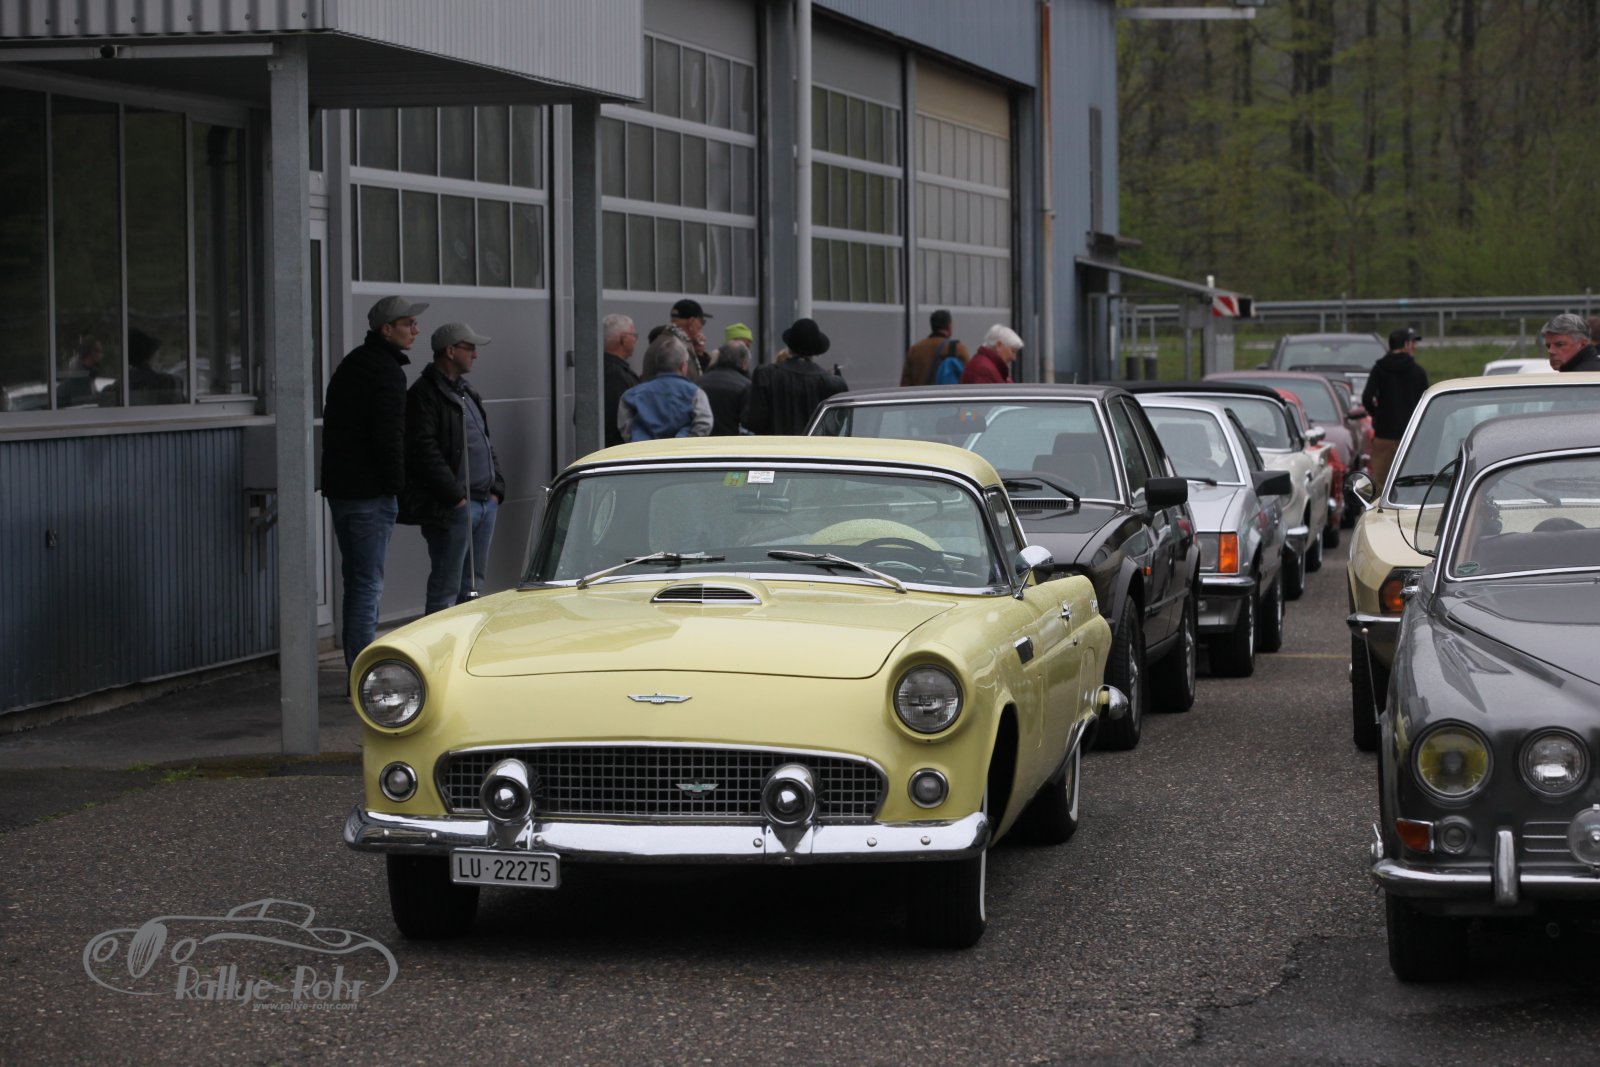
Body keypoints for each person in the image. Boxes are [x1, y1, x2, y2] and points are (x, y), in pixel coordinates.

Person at [322, 295, 426, 669]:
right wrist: (398, 487)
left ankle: (356, 667)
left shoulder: (352, 364)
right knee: (368, 584)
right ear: (387, 329)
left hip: (343, 491)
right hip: (369, 494)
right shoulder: (386, 372)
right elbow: (389, 437)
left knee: (357, 582)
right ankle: (363, 674)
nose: (416, 330)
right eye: (408, 324)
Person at [403, 322, 506, 615]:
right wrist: (455, 498)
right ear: (450, 351)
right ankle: (439, 640)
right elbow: (423, 450)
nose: (475, 354)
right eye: (469, 348)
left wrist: (496, 487)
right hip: (456, 507)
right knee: (446, 586)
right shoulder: (425, 394)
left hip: (483, 501)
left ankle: (466, 639)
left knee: (473, 586)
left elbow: (484, 441)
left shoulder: (465, 391)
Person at [742, 318, 846, 434]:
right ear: (816, 350)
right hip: (814, 445)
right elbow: (836, 426)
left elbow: (754, 421)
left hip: (774, 444)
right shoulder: (832, 383)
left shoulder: (765, 375)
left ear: (790, 346)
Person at [1362, 327, 1430, 490]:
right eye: (1413, 343)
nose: (1414, 347)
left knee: (1380, 484)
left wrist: (1378, 415)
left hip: (1384, 437)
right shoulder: (1418, 372)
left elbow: (1367, 398)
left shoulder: (1379, 369)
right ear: (1406, 345)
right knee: (1411, 484)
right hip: (1410, 438)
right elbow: (1426, 405)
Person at [618, 333, 713, 440]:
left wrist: (637, 441)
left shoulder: (631, 395)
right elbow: (704, 422)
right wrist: (686, 442)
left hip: (644, 448)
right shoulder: (695, 393)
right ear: (683, 366)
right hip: (680, 448)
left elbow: (625, 426)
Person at [900, 309, 968, 386]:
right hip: (946, 393)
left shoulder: (914, 350)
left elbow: (905, 384)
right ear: (949, 326)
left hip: (921, 393)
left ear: (932, 326)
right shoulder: (958, 349)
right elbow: (969, 379)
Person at [601, 314, 639, 447]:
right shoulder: (616, 376)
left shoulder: (600, 370)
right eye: (634, 335)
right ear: (624, 339)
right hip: (617, 449)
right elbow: (615, 419)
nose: (635, 340)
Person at [700, 341, 752, 435]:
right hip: (731, 440)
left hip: (701, 439)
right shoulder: (746, 386)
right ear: (743, 363)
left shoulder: (699, 382)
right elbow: (748, 422)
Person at [127, 328, 184, 406]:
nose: (158, 355)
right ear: (150, 355)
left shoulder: (121, 385)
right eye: (155, 351)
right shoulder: (167, 383)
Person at [57, 334, 106, 407]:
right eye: (99, 351)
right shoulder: (80, 379)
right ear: (91, 352)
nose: (101, 354)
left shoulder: (90, 376)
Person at [670, 298, 712, 374]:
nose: (701, 327)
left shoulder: (667, 341)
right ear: (691, 321)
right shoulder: (674, 348)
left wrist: (699, 353)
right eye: (701, 321)